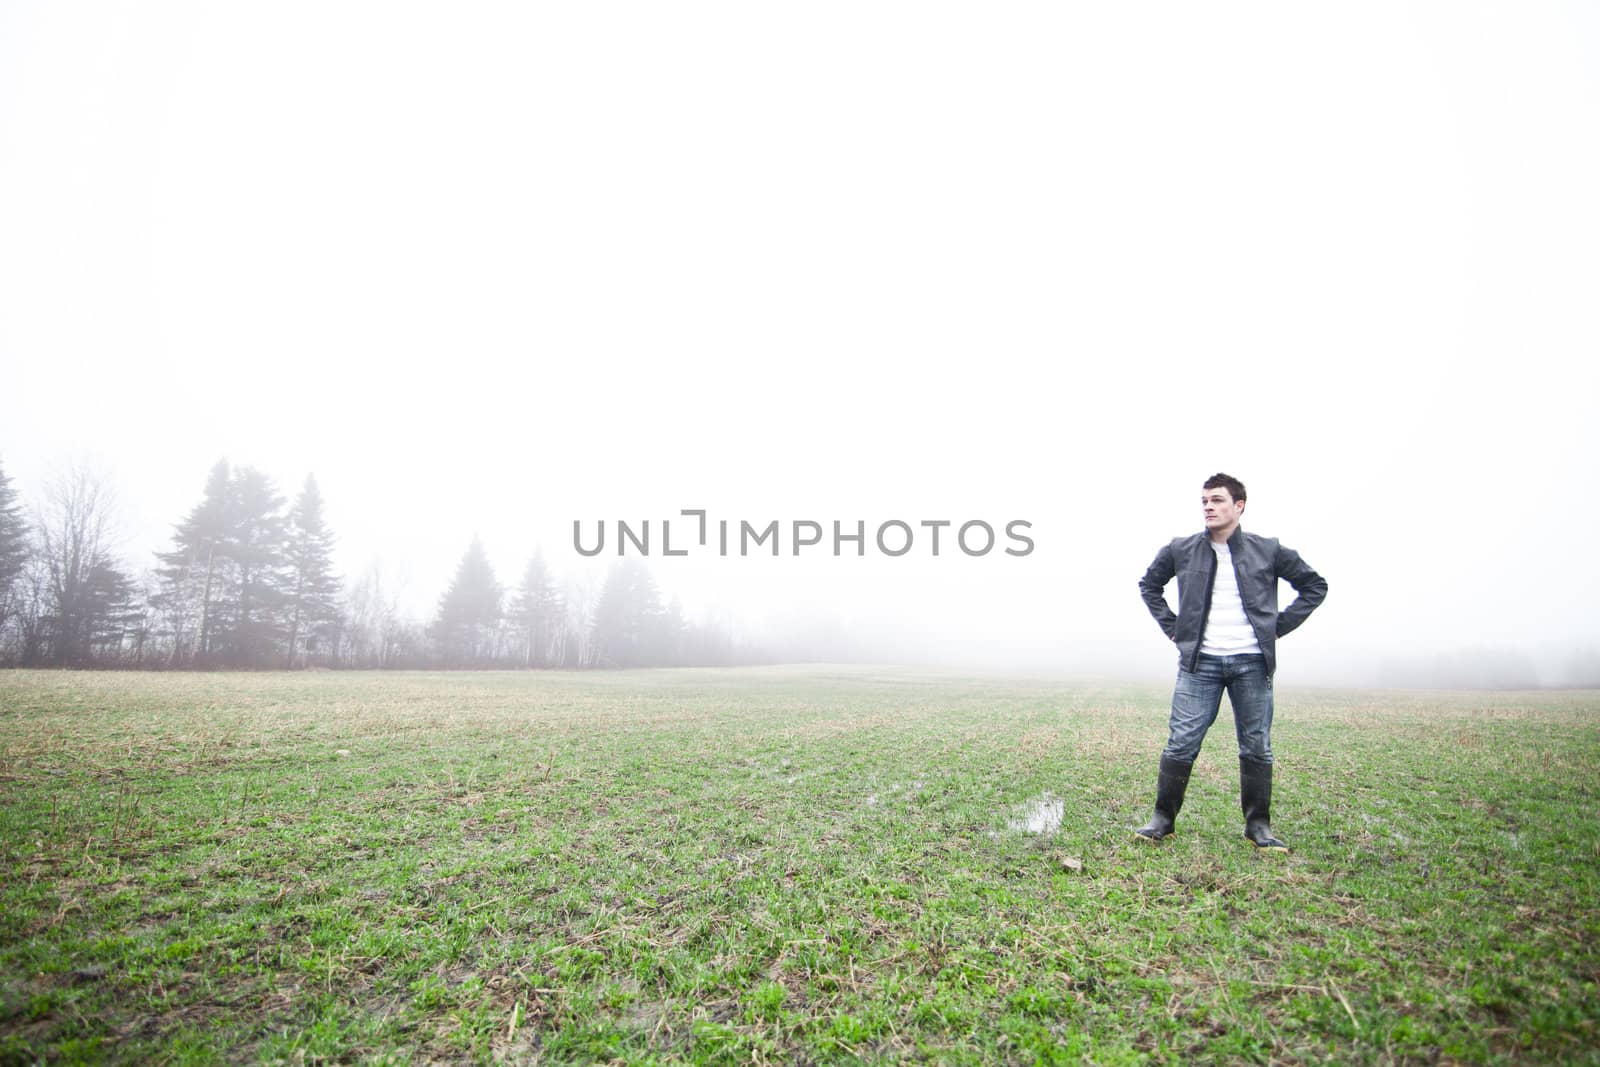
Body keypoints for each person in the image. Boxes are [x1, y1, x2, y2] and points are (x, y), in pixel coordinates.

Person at [1135, 473, 1327, 852]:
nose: (1209, 506)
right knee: (1181, 742)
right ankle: (1162, 819)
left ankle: (1258, 827)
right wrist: (1175, 629)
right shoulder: (1181, 549)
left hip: (1251, 663)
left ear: (1239, 506)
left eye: (1218, 500)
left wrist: (1275, 627)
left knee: (1256, 746)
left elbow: (1314, 586)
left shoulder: (1267, 549)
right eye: (1205, 500)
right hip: (1199, 663)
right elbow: (1149, 585)